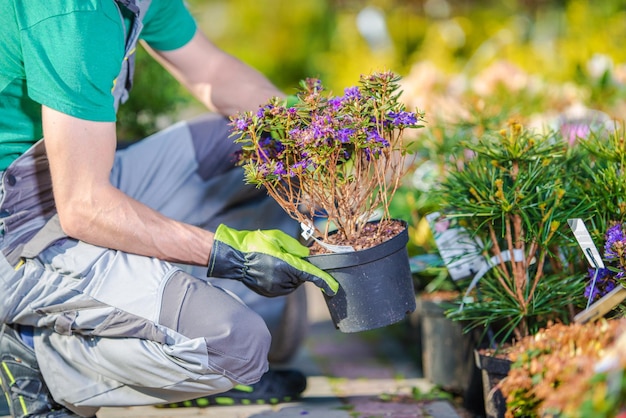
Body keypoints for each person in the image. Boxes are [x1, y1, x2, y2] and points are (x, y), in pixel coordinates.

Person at [0, 1, 339, 417]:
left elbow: (211, 71)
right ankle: (37, 354)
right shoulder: (69, 12)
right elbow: (84, 206)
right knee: (236, 341)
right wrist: (230, 253)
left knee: (264, 142)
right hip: (19, 227)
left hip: (70, 173)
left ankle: (198, 353)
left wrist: (324, 135)